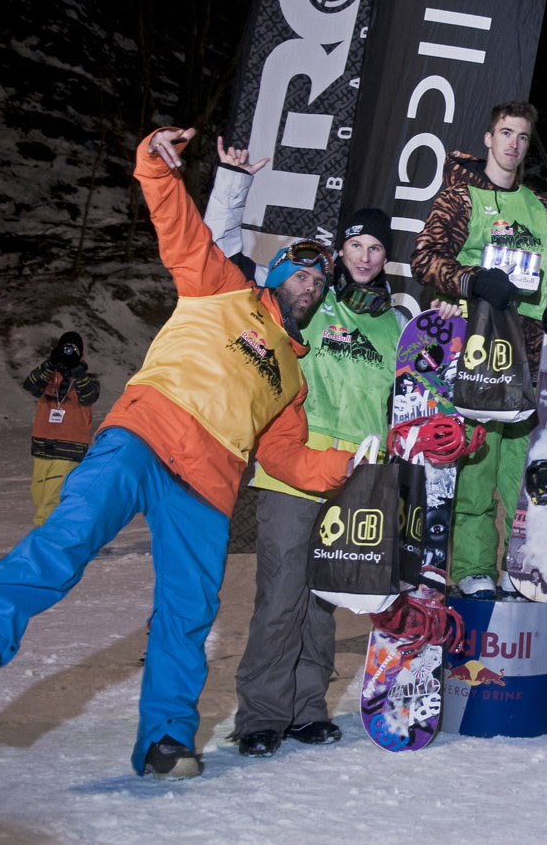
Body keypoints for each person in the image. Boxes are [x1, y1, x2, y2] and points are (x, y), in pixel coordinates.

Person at [0, 127, 357, 781]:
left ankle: (166, 740)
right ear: (279, 275)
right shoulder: (222, 287)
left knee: (188, 614)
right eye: (304, 270)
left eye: (321, 278)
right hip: (144, 436)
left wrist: (352, 463)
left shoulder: (293, 380)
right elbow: (177, 225)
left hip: (207, 490)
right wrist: (156, 165)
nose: (313, 282)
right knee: (69, 534)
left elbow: (290, 462)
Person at [205, 150, 404, 757]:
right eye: (355, 246)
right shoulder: (311, 302)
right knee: (282, 595)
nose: (365, 257)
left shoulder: (397, 325)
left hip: (356, 482)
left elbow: (417, 396)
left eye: (376, 248)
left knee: (325, 599)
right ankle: (261, 714)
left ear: (385, 257)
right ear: (339, 252)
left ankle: (307, 707)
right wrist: (233, 185)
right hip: (293, 473)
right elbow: (227, 262)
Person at [410, 101, 547, 599]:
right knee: (476, 465)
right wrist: (471, 280)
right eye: (505, 133)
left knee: (521, 475)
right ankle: (474, 567)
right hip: (476, 353)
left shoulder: (540, 208)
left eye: (522, 136)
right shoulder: (462, 197)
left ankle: (521, 565)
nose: (513, 143)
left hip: (530, 355)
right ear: (488, 139)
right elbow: (424, 258)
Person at [22, 331, 100, 525]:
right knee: (38, 494)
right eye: (64, 348)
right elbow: (30, 385)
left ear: (81, 353)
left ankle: (45, 541)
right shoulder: (49, 375)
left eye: (73, 349)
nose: (68, 352)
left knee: (51, 499)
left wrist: (76, 369)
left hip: (69, 448)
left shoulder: (88, 380)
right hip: (42, 446)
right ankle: (76, 530)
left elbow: (89, 395)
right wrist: (50, 362)